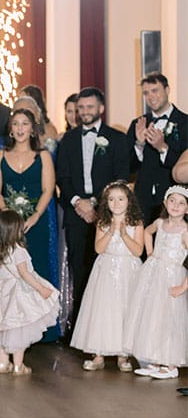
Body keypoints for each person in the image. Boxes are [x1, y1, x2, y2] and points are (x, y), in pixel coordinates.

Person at [56, 87, 130, 327]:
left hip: (108, 214)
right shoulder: (68, 139)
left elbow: (121, 175)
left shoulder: (117, 139)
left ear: (101, 109)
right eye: (81, 108)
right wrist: (79, 202)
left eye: (89, 107)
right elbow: (62, 177)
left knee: (105, 270)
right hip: (76, 213)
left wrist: (98, 204)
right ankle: (80, 327)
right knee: (79, 268)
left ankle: (106, 326)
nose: (84, 112)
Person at [0, 108, 60, 341]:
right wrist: (8, 214)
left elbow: (48, 189)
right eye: (16, 124)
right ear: (10, 128)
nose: (20, 129)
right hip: (8, 228)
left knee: (35, 271)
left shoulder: (44, 156)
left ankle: (41, 331)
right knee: (10, 276)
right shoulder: (0, 155)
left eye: (25, 124)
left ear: (32, 129)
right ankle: (11, 330)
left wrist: (35, 217)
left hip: (34, 225)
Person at [70, 181, 144, 372]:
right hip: (106, 269)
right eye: (111, 199)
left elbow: (138, 251)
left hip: (129, 269)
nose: (116, 203)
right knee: (102, 309)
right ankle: (98, 353)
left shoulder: (136, 223)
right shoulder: (103, 223)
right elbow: (98, 248)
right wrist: (111, 231)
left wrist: (124, 234)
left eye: (120, 199)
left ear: (129, 201)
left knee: (125, 309)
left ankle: (123, 354)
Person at [0, 210, 61, 376]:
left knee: (2, 330)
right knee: (19, 330)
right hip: (19, 294)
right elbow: (25, 274)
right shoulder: (18, 251)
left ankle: (2, 364)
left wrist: (2, 286)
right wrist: (41, 288)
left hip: (2, 293)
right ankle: (18, 366)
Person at [123, 185, 188, 379]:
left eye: (181, 203)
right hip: (153, 274)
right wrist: (150, 252)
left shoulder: (185, 231)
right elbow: (146, 232)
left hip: (172, 277)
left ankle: (170, 364)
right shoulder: (160, 223)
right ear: (165, 202)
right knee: (152, 316)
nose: (176, 205)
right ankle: (155, 359)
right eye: (172, 200)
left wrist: (183, 286)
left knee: (169, 319)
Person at [126, 73, 188, 226]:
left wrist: (163, 148)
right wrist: (139, 145)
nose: (150, 97)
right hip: (143, 199)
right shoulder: (138, 124)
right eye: (146, 93)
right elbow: (128, 167)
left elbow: (184, 168)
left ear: (167, 90)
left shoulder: (185, 122)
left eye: (155, 90)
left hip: (174, 201)